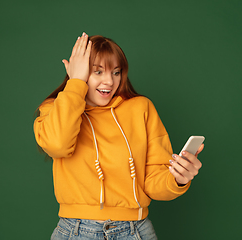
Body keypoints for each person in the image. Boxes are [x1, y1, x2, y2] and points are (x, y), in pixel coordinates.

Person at [33, 32, 204, 240]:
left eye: (116, 72)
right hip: (77, 232)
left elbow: (153, 181)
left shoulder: (141, 108)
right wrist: (76, 83)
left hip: (136, 231)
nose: (109, 81)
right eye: (97, 72)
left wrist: (177, 179)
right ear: (80, 71)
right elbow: (57, 145)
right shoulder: (54, 109)